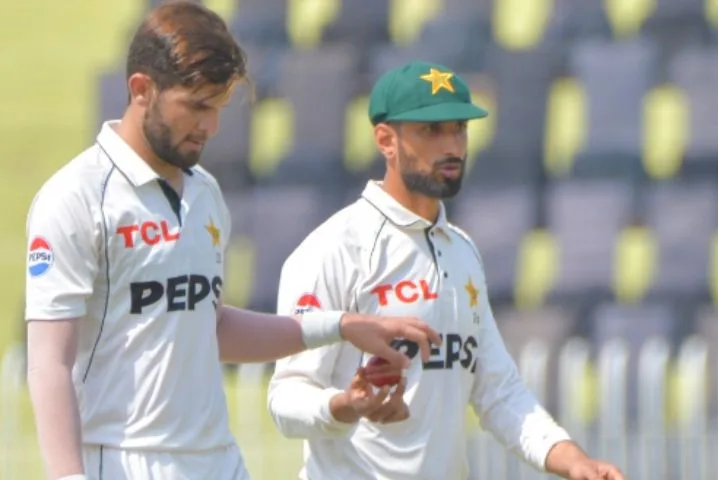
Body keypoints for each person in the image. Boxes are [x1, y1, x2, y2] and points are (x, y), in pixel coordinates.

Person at [23, 4, 441, 480]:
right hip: (121, 461)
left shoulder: (204, 192)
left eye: (218, 107)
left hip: (219, 460)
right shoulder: (75, 198)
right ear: (142, 89)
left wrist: (341, 325)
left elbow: (211, 327)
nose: (212, 127)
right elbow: (48, 363)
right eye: (197, 106)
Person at [267, 61, 626, 480]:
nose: (452, 145)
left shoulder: (461, 250)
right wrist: (346, 406)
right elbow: (286, 399)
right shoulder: (333, 249)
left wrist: (574, 461)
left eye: (459, 128)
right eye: (430, 130)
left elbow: (497, 390)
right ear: (386, 140)